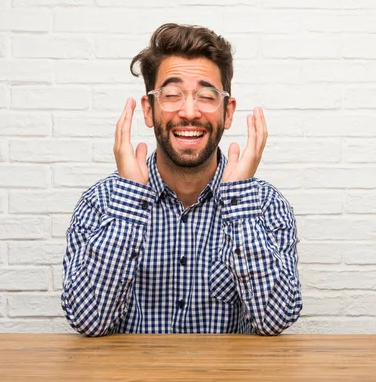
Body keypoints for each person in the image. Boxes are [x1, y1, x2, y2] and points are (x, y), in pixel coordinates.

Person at [61, 23, 302, 336]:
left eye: (206, 96)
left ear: (228, 113)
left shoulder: (266, 206)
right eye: (172, 95)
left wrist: (239, 204)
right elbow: (88, 321)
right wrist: (129, 201)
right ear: (148, 111)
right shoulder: (103, 203)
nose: (189, 112)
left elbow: (275, 320)